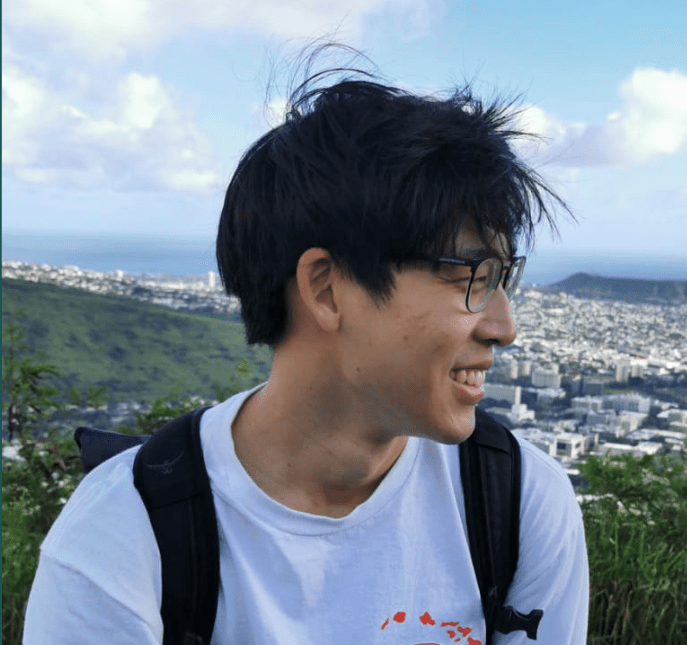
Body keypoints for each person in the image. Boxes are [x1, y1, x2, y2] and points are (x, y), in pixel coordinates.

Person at [24, 53, 588, 644]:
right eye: (470, 275)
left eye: (503, 278)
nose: (504, 326)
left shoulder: (516, 501)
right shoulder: (125, 530)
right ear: (326, 289)